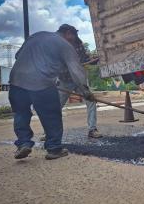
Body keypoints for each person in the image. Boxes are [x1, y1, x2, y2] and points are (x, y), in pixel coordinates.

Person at [9, 24, 93, 160]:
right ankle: (54, 149)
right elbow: (76, 71)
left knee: (21, 113)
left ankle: (23, 143)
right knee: (51, 115)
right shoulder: (65, 45)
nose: (72, 42)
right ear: (68, 33)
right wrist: (85, 91)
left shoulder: (36, 36)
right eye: (73, 39)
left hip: (16, 81)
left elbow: (18, 55)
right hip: (41, 83)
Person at [57, 28, 102, 138]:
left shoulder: (78, 44)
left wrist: (93, 59)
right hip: (64, 80)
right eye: (73, 34)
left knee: (91, 101)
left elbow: (85, 58)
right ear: (67, 33)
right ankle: (50, 132)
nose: (75, 36)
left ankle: (92, 130)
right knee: (56, 107)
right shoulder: (57, 45)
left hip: (78, 81)